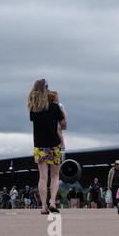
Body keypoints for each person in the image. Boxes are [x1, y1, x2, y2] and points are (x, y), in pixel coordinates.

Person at [28, 79, 66, 214]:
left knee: (42, 177)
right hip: (54, 144)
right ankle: (52, 202)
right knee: (55, 176)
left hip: (39, 145)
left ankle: (43, 206)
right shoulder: (55, 107)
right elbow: (63, 125)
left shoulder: (33, 108)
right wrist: (62, 112)